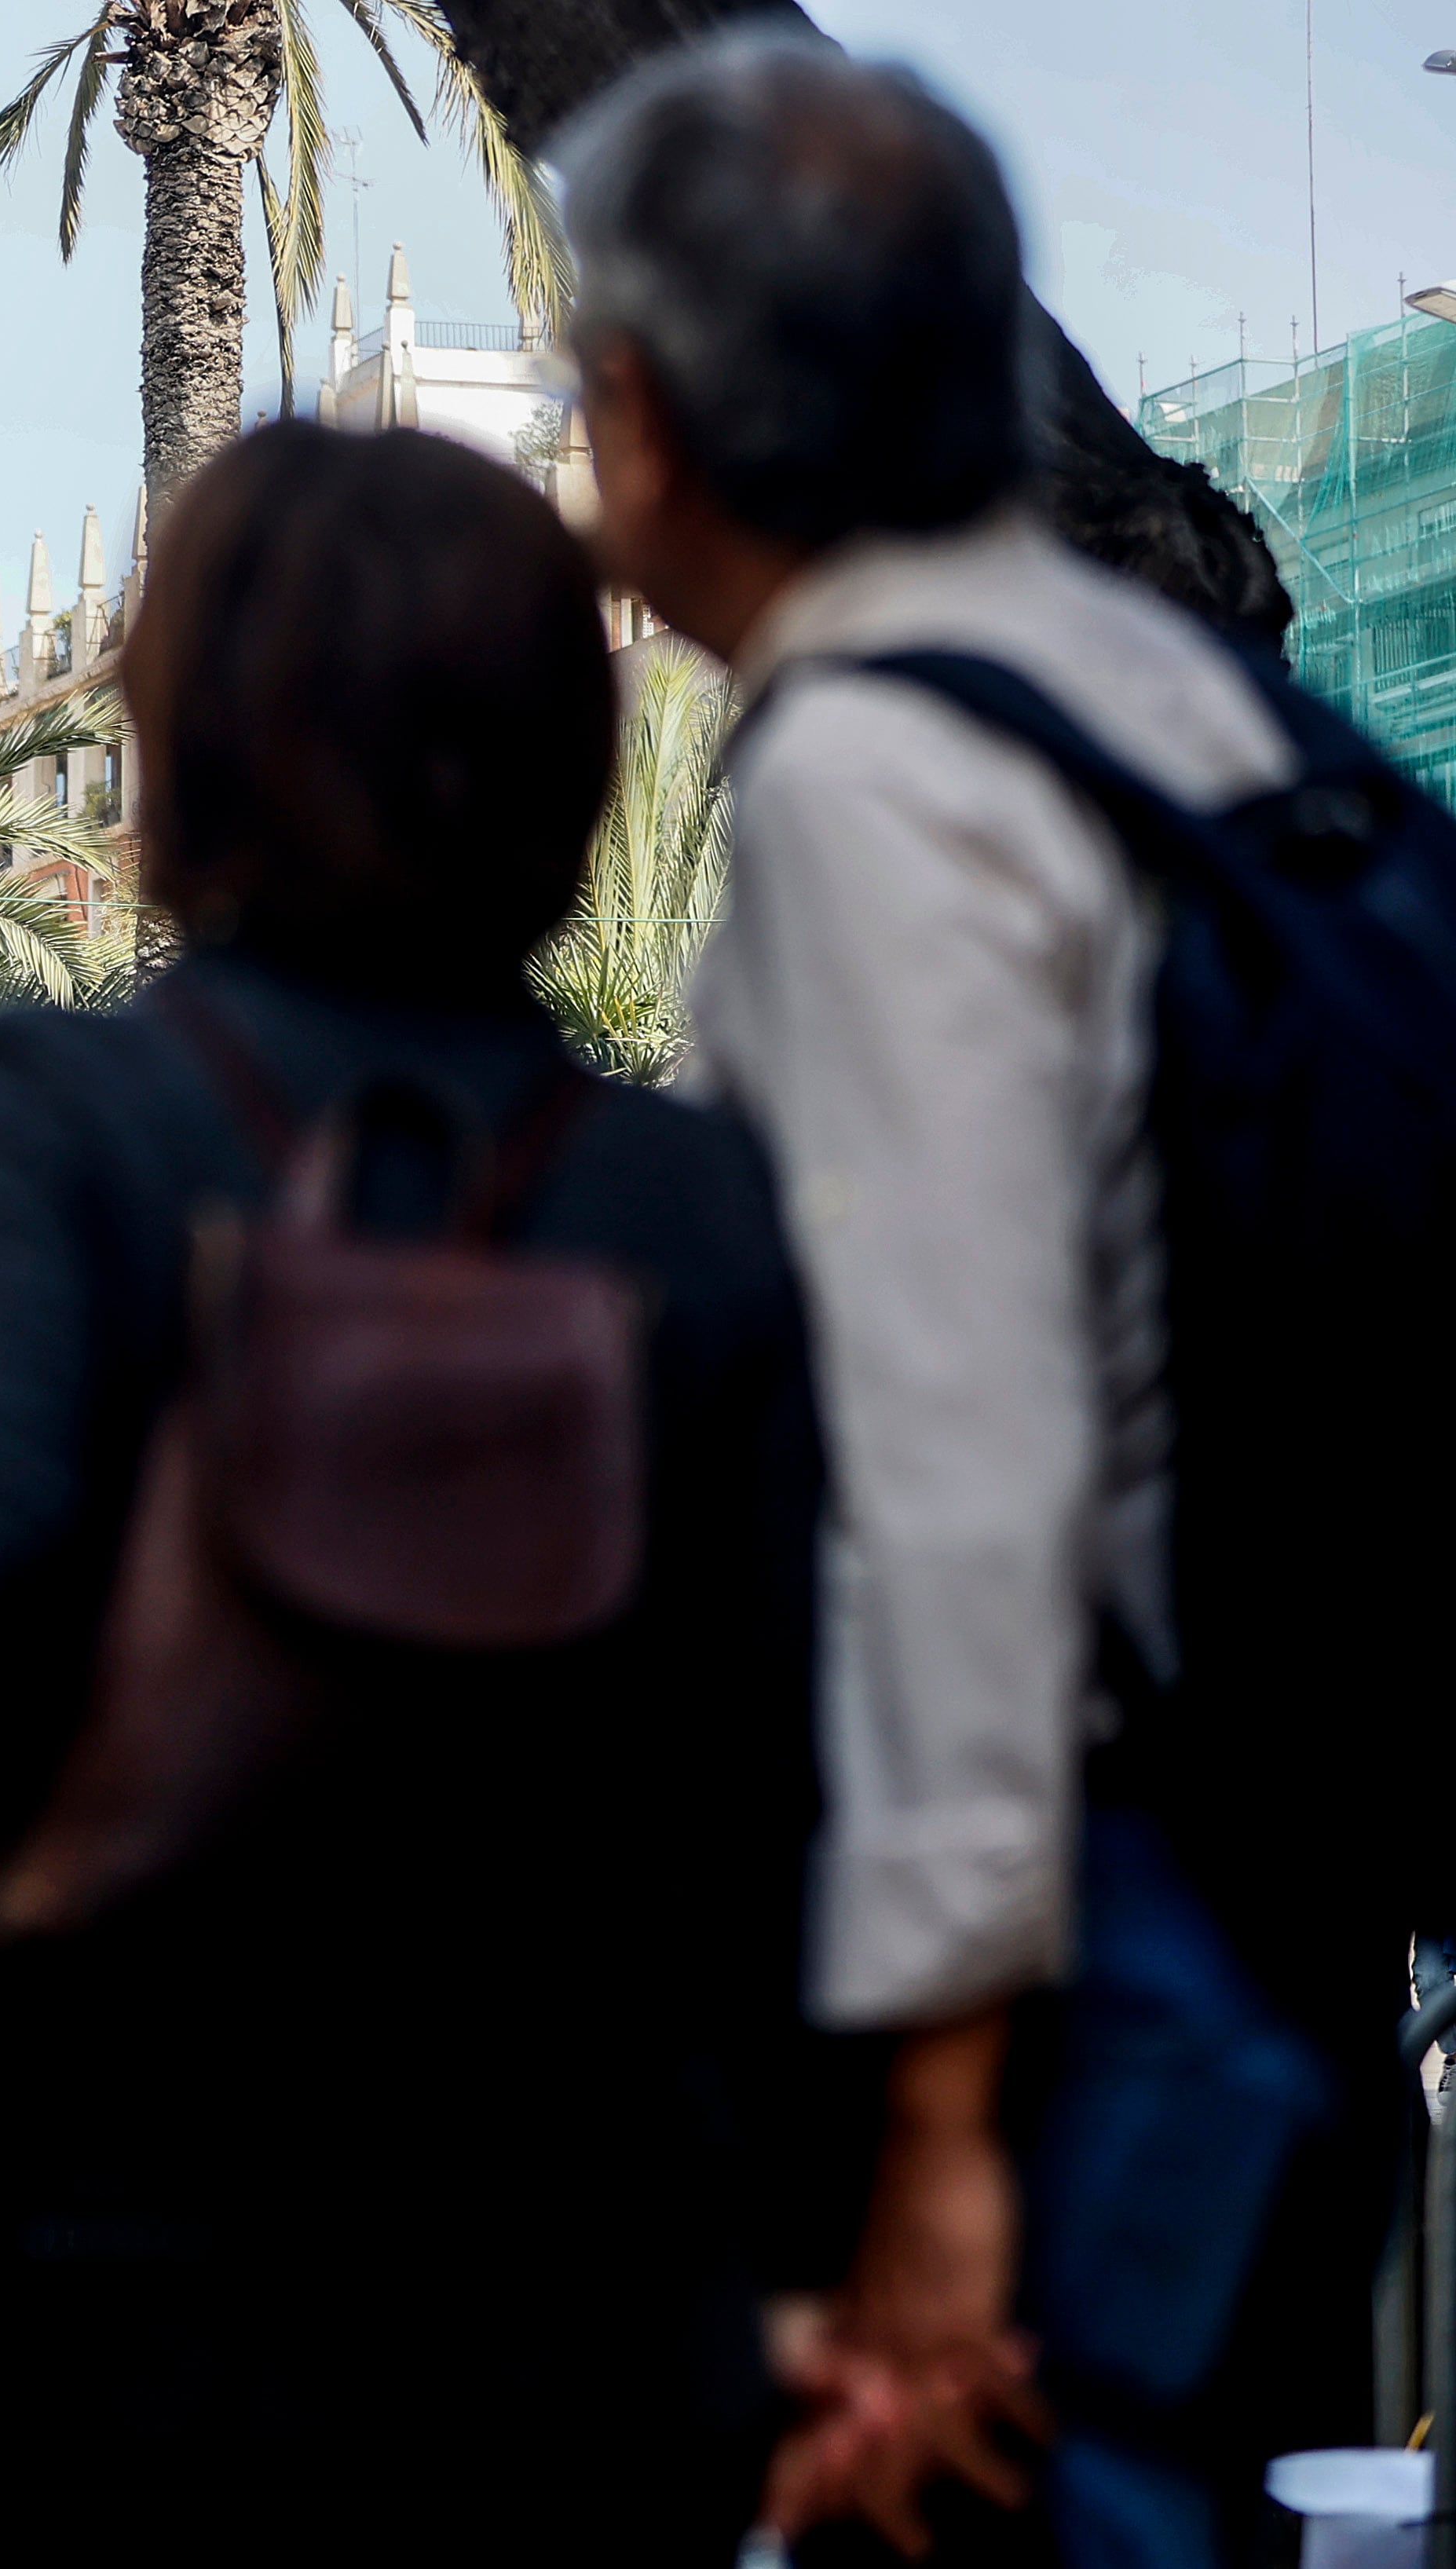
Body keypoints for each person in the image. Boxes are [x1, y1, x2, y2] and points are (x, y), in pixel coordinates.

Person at [0, 419, 829, 2566]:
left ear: (180, 734)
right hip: (591, 2319)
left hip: (131, 2294)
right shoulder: (701, 1203)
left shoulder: (69, 1119)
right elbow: (784, 1792)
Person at [558, 40, 1403, 2563]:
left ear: (685, 406)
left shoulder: (878, 766)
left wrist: (926, 2125)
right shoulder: (1185, 706)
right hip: (1279, 1867)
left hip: (1070, 1948)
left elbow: (952, 1462)